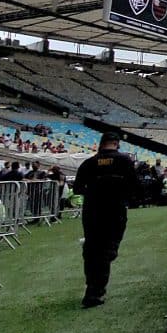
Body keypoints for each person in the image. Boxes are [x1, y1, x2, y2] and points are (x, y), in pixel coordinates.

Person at [71, 130, 143, 308]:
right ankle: (95, 292)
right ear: (117, 144)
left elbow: (77, 188)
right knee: (107, 250)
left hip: (92, 211)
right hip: (114, 210)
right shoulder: (125, 161)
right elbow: (135, 186)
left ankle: (92, 287)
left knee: (92, 249)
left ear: (100, 144)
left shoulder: (89, 163)